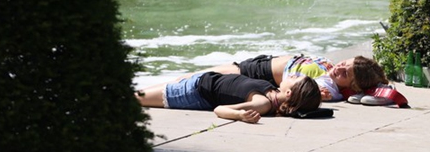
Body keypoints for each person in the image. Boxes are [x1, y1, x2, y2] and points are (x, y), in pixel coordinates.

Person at [178, 54, 388, 101]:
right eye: (344, 63)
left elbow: (314, 91)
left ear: (352, 84)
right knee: (198, 75)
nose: (339, 68)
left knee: (198, 77)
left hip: (258, 72)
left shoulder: (329, 88)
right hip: (263, 64)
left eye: (346, 73)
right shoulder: (331, 73)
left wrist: (322, 97)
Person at [136, 71, 321, 124]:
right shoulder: (273, 93)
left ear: (289, 93)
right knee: (136, 94)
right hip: (200, 82)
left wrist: (240, 116)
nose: (292, 74)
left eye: (295, 78)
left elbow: (219, 110)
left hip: (194, 93)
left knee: (136, 98)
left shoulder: (263, 103)